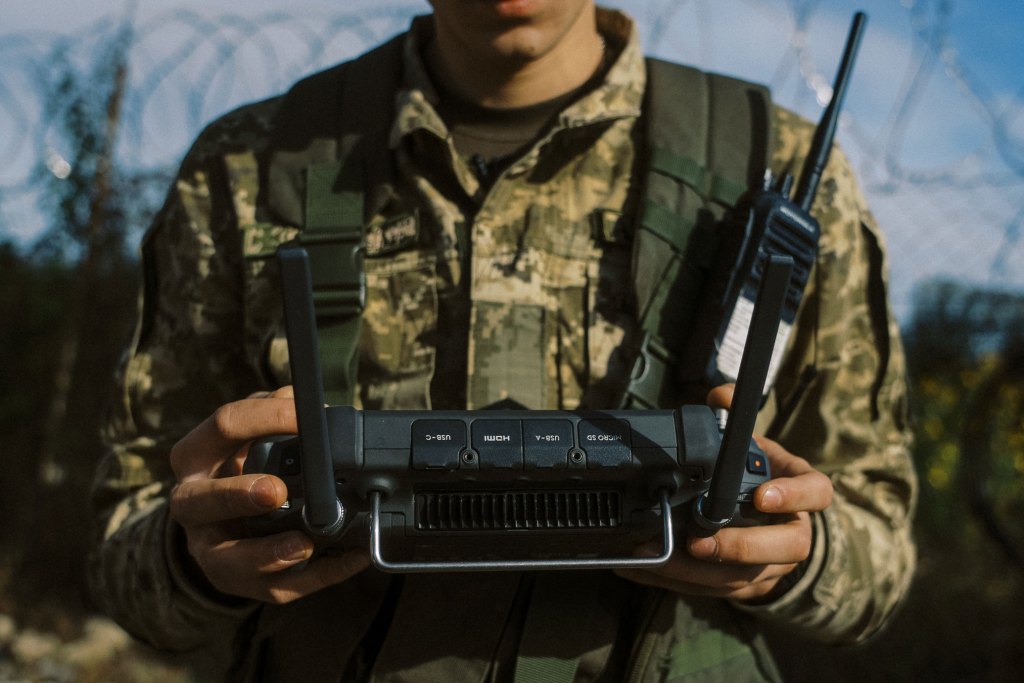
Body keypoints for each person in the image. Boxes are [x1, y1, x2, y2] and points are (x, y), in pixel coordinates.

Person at [89, 1, 917, 680]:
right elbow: (123, 544)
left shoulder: (783, 170)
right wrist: (193, 556)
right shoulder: (247, 167)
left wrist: (796, 552)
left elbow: (878, 553)